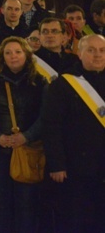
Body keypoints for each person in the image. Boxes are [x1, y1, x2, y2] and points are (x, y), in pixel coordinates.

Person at [0, 36, 47, 233]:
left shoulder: (39, 81)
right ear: (2, 57)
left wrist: (27, 136)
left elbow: (45, 115)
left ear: (26, 54)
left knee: (27, 202)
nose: (13, 56)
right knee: (1, 202)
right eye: (8, 52)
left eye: (17, 52)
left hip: (27, 149)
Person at [42, 34, 105, 233]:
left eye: (102, 50)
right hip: (75, 167)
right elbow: (51, 126)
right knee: (75, 221)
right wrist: (57, 164)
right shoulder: (63, 85)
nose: (97, 55)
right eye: (91, 50)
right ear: (79, 53)